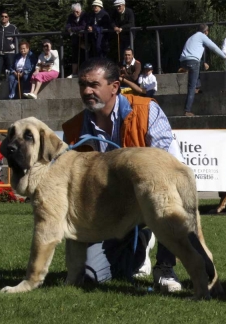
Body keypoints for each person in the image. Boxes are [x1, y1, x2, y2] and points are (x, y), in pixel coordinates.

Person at [62, 57, 184, 292]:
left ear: (114, 87)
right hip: (105, 210)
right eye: (82, 85)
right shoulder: (74, 129)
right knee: (93, 278)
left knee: (172, 195)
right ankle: (140, 245)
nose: (87, 91)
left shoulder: (146, 110)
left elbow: (169, 165)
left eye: (94, 85)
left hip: (149, 197)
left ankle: (165, 268)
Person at [180, 24, 226, 116]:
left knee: (196, 66)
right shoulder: (202, 36)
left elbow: (191, 53)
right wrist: (224, 56)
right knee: (191, 87)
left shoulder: (191, 37)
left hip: (183, 61)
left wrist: (203, 63)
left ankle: (198, 86)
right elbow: (213, 47)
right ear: (206, 31)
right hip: (192, 61)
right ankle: (187, 110)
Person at [65, 3, 87, 78]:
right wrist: (71, 29)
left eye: (77, 11)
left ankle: (84, 73)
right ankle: (74, 73)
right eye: (74, 12)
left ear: (80, 10)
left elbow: (83, 26)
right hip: (75, 39)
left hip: (84, 39)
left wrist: (73, 29)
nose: (76, 13)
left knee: (84, 56)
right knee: (75, 56)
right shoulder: (71, 16)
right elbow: (67, 26)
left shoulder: (84, 16)